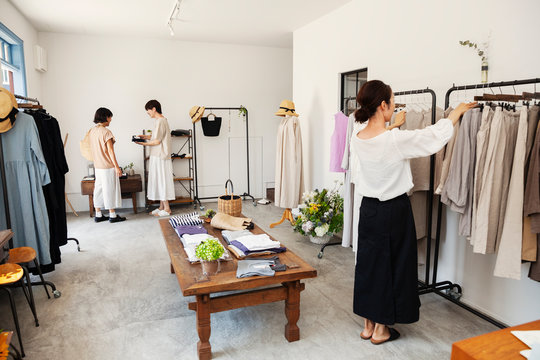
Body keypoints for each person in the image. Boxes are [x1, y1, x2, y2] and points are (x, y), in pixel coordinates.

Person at [350, 80, 475, 344]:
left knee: (369, 265)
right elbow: (430, 138)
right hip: (393, 210)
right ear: (383, 105)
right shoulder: (395, 140)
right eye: (392, 103)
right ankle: (382, 330)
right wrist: (455, 114)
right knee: (391, 266)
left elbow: (379, 139)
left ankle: (368, 325)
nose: (394, 107)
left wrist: (393, 124)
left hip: (369, 210)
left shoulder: (358, 137)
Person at [135, 100, 175, 216]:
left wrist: (143, 144)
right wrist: (145, 137)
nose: (148, 113)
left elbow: (157, 141)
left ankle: (167, 208)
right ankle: (162, 206)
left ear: (153, 108)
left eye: (148, 111)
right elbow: (156, 136)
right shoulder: (159, 121)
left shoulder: (161, 121)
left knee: (162, 180)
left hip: (160, 155)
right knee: (158, 179)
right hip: (157, 155)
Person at [88, 107, 126, 223]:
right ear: (106, 117)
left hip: (98, 166)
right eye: (110, 117)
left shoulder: (92, 131)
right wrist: (117, 167)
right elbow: (110, 151)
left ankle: (98, 214)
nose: (110, 120)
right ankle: (112, 215)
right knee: (109, 190)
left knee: (98, 189)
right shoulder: (106, 132)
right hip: (107, 166)